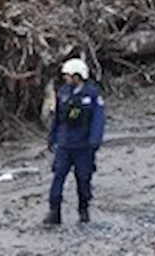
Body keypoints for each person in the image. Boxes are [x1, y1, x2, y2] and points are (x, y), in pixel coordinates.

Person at [44, 58, 106, 225]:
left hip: (83, 146)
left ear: (77, 76)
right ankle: (54, 211)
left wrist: (95, 140)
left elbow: (98, 119)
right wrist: (52, 137)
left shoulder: (92, 94)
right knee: (58, 177)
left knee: (83, 179)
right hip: (64, 145)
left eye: (68, 76)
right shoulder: (63, 92)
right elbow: (57, 117)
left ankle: (83, 210)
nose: (65, 79)